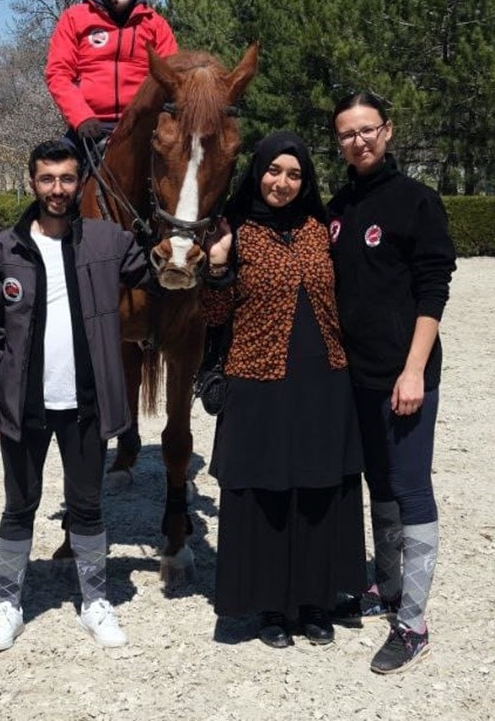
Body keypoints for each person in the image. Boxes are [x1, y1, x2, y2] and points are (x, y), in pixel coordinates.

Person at [0, 140, 150, 652]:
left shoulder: (107, 241)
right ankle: (8, 601)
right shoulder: (3, 249)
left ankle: (94, 600)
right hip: (23, 402)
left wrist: (211, 253)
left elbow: (158, 276)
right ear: (32, 181)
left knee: (87, 505)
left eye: (67, 179)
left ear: (79, 184)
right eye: (47, 179)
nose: (57, 189)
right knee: (19, 505)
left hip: (86, 401)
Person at [201, 131, 365, 649]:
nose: (283, 183)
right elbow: (211, 316)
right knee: (265, 493)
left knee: (318, 488)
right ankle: (269, 606)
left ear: (306, 180)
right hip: (257, 379)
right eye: (274, 171)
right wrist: (220, 265)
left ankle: (315, 601)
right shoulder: (236, 230)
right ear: (258, 172)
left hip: (323, 379)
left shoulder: (321, 229)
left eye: (294, 174)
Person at [327, 92, 456, 674]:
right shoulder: (339, 206)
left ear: (388, 132)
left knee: (410, 487)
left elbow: (433, 291)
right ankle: (387, 584)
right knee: (376, 482)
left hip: (404, 374)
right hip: (354, 377)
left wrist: (413, 370)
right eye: (347, 134)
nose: (359, 141)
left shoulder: (417, 202)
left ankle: (415, 622)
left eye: (368, 130)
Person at [45, 0, 178, 154]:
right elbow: (58, 74)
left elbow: (173, 80)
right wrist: (81, 117)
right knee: (53, 174)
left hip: (143, 129)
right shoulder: (74, 18)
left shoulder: (155, 24)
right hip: (88, 129)